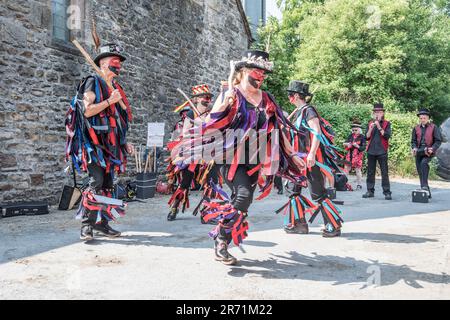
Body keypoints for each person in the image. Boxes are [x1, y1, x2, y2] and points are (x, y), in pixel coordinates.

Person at [173, 50, 316, 265]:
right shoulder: (231, 93)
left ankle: (223, 236)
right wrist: (225, 101)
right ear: (244, 71)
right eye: (257, 71)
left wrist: (292, 154)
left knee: (244, 201)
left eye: (264, 73)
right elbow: (212, 120)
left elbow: (277, 128)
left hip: (254, 158)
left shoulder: (267, 99)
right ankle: (221, 241)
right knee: (242, 195)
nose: (261, 76)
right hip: (230, 156)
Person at [65, 43, 134, 241]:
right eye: (114, 61)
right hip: (94, 144)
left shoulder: (116, 88)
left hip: (112, 146)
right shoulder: (92, 82)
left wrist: (124, 142)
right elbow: (87, 111)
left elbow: (118, 121)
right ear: (102, 64)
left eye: (119, 62)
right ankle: (86, 226)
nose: (118, 65)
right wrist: (109, 101)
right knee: (96, 182)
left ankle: (102, 224)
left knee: (109, 184)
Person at [282, 80, 345, 237]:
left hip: (310, 160)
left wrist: (311, 154)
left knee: (318, 193)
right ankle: (299, 224)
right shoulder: (298, 112)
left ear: (296, 96)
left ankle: (333, 225)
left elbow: (317, 132)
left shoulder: (309, 111)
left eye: (290, 95)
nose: (289, 97)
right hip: (297, 160)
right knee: (292, 190)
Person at [167, 84, 219, 221]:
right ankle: (174, 208)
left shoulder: (211, 114)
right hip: (193, 153)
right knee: (185, 183)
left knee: (211, 183)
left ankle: (207, 213)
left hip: (208, 154)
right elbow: (185, 133)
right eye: (204, 97)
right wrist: (198, 127)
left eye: (208, 98)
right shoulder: (191, 114)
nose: (207, 100)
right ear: (196, 99)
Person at [363, 103, 392, 200]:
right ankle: (370, 191)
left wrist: (379, 126)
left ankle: (387, 192)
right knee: (370, 172)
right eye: (375, 112)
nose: (377, 114)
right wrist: (371, 128)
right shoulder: (369, 123)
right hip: (371, 150)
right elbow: (366, 137)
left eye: (379, 112)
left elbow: (387, 136)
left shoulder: (387, 123)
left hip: (382, 150)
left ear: (383, 113)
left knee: (384, 172)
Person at [411, 108, 442, 198]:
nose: (422, 120)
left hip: (429, 151)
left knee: (424, 164)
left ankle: (424, 187)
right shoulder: (416, 128)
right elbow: (413, 141)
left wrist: (433, 148)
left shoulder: (434, 127)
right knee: (420, 171)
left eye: (424, 118)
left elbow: (438, 141)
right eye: (421, 118)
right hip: (419, 151)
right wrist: (414, 148)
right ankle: (426, 191)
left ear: (428, 118)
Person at [343, 120, 366, 189]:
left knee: (358, 170)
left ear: (359, 130)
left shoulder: (362, 137)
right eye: (353, 130)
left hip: (358, 156)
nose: (354, 131)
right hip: (349, 155)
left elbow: (363, 148)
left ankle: (359, 184)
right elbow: (344, 143)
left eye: (355, 130)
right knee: (346, 169)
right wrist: (347, 144)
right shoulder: (350, 136)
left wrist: (357, 146)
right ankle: (345, 183)